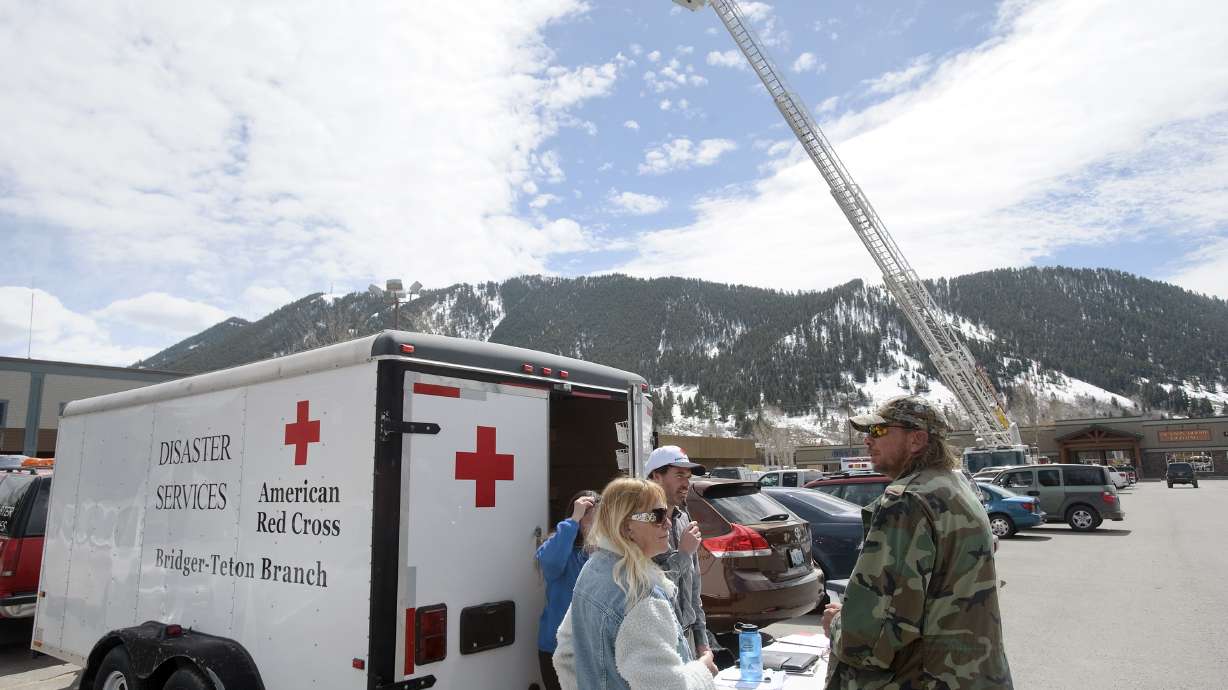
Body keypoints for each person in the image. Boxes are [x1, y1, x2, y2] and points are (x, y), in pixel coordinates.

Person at [821, 395, 1013, 689]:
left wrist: (836, 625)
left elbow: (872, 633)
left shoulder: (907, 499)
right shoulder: (954, 485)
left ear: (916, 440)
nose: (868, 441)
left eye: (879, 431)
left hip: (924, 678)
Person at [553, 478, 717, 690]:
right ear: (627, 527)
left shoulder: (593, 568)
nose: (667, 522)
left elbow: (565, 655)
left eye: (666, 513)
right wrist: (702, 669)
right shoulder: (642, 598)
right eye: (657, 515)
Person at [643, 445, 709, 658]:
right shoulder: (640, 523)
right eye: (679, 475)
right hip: (657, 641)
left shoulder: (684, 520)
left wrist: (702, 642)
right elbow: (647, 587)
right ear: (656, 476)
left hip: (686, 638)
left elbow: (694, 587)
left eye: (688, 477)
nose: (686, 483)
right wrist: (682, 554)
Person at [535, 490, 599, 690]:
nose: (597, 527)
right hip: (557, 650)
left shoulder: (607, 554)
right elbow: (551, 564)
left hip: (594, 650)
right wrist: (574, 519)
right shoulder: (561, 548)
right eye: (591, 520)